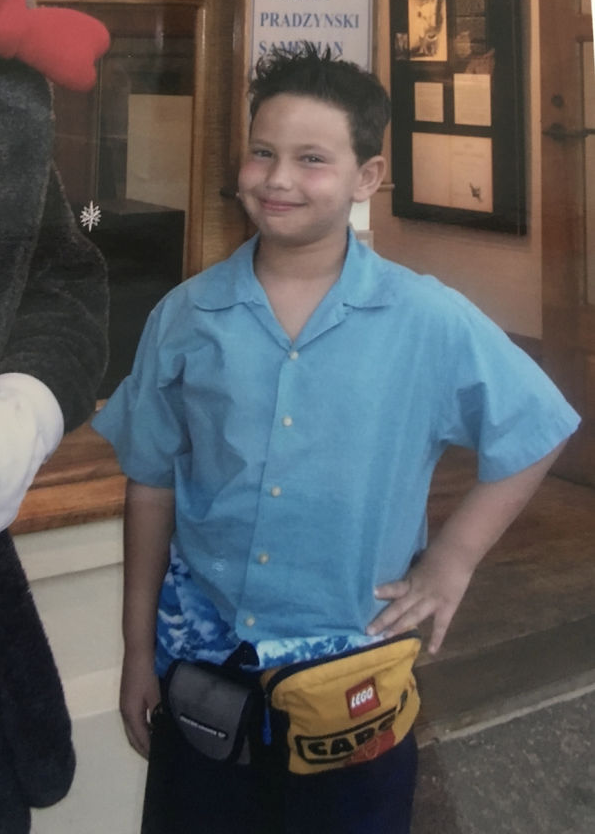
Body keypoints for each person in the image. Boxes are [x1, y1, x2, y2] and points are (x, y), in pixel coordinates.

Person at [93, 43, 580, 834]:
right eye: (263, 152)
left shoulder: (425, 318)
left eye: (311, 159)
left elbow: (537, 427)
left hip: (352, 697)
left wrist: (452, 560)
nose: (278, 178)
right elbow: (150, 484)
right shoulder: (186, 316)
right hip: (204, 678)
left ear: (367, 178)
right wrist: (136, 649)